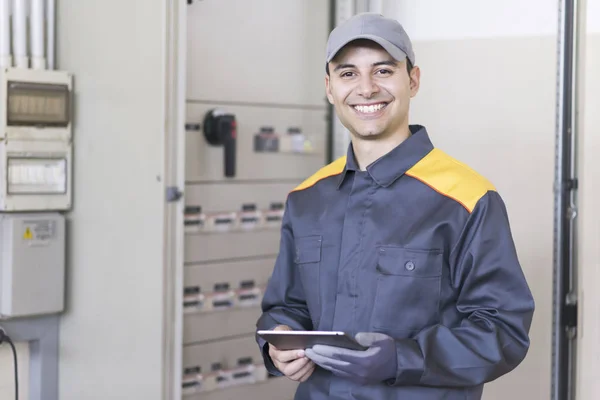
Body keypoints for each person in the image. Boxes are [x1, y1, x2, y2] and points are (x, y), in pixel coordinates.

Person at [255, 12, 535, 400]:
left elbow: (503, 330)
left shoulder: (466, 199)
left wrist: (403, 358)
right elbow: (286, 306)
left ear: (413, 80)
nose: (366, 89)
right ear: (330, 87)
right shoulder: (307, 198)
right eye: (348, 73)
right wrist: (279, 342)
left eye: (383, 71)